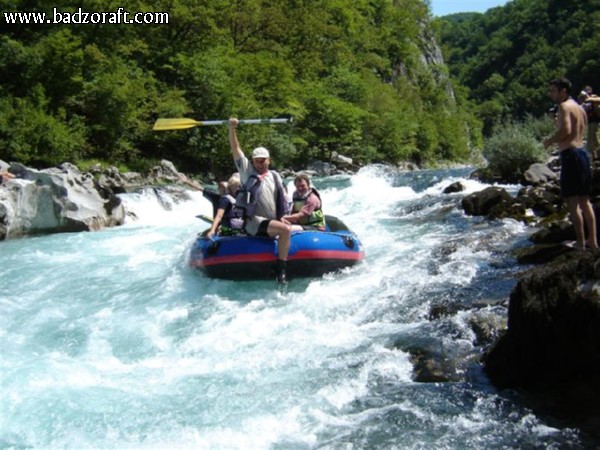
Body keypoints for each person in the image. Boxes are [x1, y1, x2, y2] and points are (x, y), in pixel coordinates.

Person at [228, 117, 291, 283]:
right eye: (257, 161)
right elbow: (236, 149)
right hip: (254, 222)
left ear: (268, 160)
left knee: (287, 227)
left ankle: (280, 261)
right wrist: (232, 129)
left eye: (263, 161)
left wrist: (283, 216)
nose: (260, 164)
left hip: (271, 221)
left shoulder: (275, 176)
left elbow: (281, 201)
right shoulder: (247, 172)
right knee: (285, 231)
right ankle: (281, 269)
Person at [543, 77, 597, 250]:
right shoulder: (578, 108)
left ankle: (580, 243)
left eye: (553, 91)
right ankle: (592, 241)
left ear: (563, 91)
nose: (551, 94)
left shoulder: (564, 106)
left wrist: (549, 141)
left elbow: (565, 131)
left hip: (570, 156)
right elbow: (573, 129)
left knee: (572, 203)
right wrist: (555, 120)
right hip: (582, 154)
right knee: (585, 201)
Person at [577, 86, 600, 160]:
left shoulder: (593, 98)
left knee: (595, 140)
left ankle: (598, 156)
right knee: (591, 141)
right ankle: (595, 157)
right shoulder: (585, 102)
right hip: (590, 122)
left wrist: (588, 98)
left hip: (596, 121)